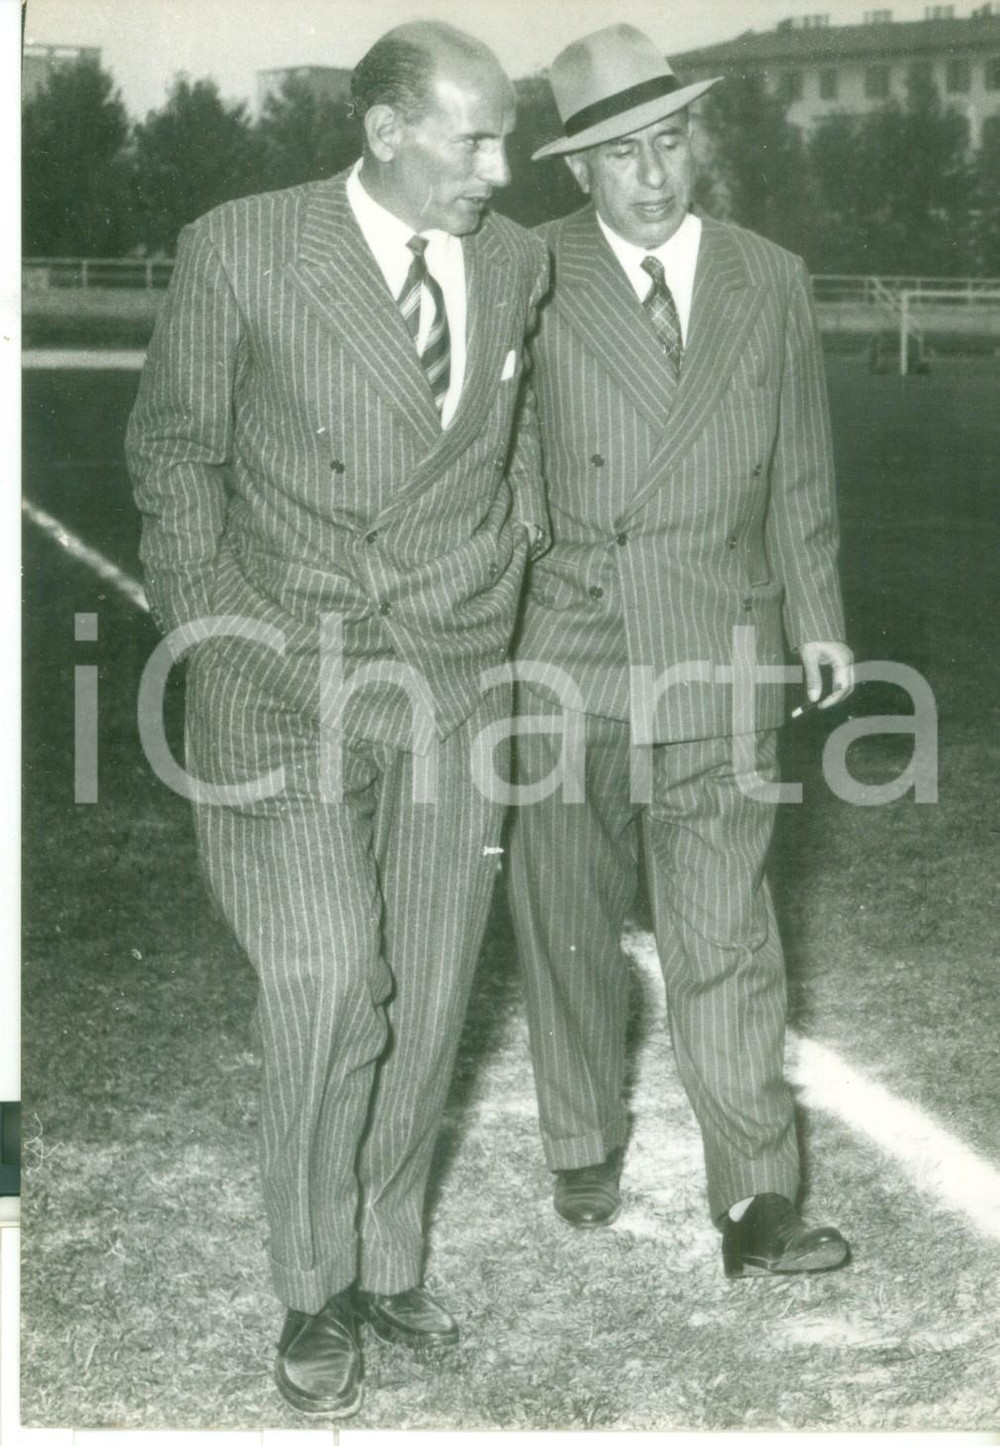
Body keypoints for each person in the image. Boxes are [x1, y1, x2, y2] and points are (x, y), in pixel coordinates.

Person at [126, 22, 548, 1418]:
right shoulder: (242, 247)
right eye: (474, 140)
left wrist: (510, 570)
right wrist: (218, 631)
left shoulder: (516, 263)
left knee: (424, 990)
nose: (500, 168)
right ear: (384, 130)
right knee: (326, 978)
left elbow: (514, 448)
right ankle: (313, 1287)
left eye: (505, 139)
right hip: (277, 681)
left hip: (453, 679)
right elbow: (174, 456)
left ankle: (384, 1257)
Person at [508, 25, 855, 1279]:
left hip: (721, 643)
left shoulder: (769, 277)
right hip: (569, 647)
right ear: (576, 169)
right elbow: (499, 462)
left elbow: (799, 466)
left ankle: (757, 1198)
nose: (651, 175)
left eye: (666, 142)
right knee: (567, 921)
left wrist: (817, 620)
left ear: (692, 142)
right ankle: (581, 1137)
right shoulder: (528, 272)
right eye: (619, 154)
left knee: (727, 932)